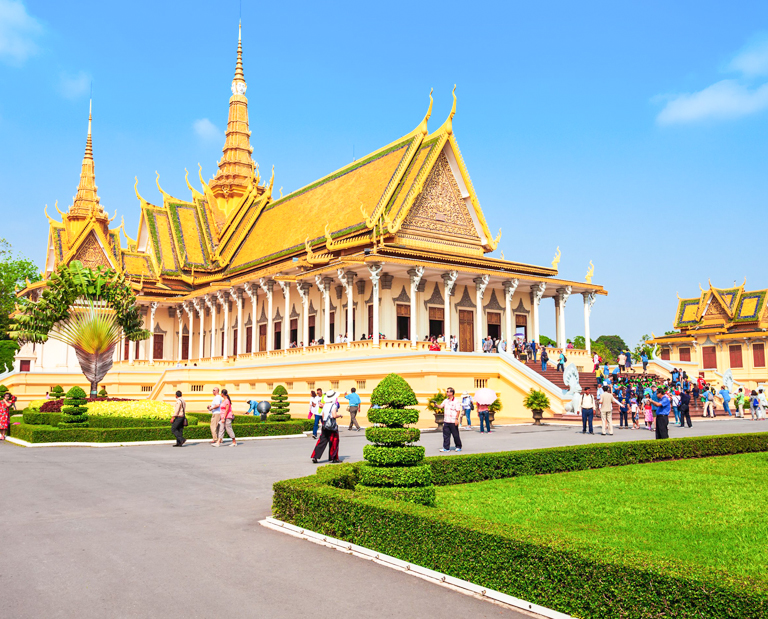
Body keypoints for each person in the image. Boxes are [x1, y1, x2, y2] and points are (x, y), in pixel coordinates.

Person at [312, 389, 342, 463]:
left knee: (322, 441)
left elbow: (323, 415)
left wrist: (325, 423)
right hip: (332, 425)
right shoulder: (333, 405)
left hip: (325, 424)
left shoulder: (325, 405)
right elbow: (334, 415)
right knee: (334, 441)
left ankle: (315, 456)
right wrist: (340, 415)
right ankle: (334, 458)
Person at [438, 387, 463, 452]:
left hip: (453, 420)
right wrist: (436, 405)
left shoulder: (456, 401)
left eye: (448, 392)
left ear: (452, 393)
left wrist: (456, 419)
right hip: (446, 420)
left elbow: (458, 411)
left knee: (455, 435)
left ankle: (458, 446)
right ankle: (446, 448)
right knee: (446, 435)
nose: (447, 393)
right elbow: (441, 406)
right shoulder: (446, 400)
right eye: (447, 391)